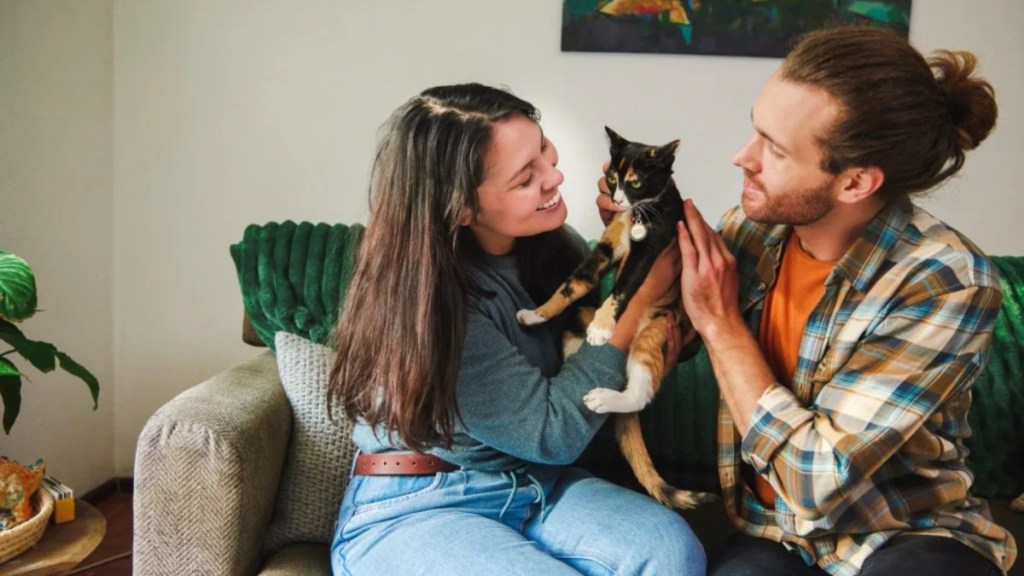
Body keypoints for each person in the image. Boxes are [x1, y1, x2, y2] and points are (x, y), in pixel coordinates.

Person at [602, 25, 1016, 576]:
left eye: (774, 150)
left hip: (907, 536)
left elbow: (813, 480)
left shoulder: (945, 281)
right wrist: (641, 252)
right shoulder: (751, 233)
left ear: (855, 182)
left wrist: (723, 326)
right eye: (756, 131)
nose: (741, 158)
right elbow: (665, 341)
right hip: (774, 534)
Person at [327, 82, 706, 576]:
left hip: (535, 482)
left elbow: (661, 348)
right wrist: (636, 299)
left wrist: (628, 254)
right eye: (527, 177)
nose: (557, 176)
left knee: (670, 552)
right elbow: (554, 432)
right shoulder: (434, 307)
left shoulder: (548, 243)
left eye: (545, 150)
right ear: (462, 208)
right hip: (423, 501)